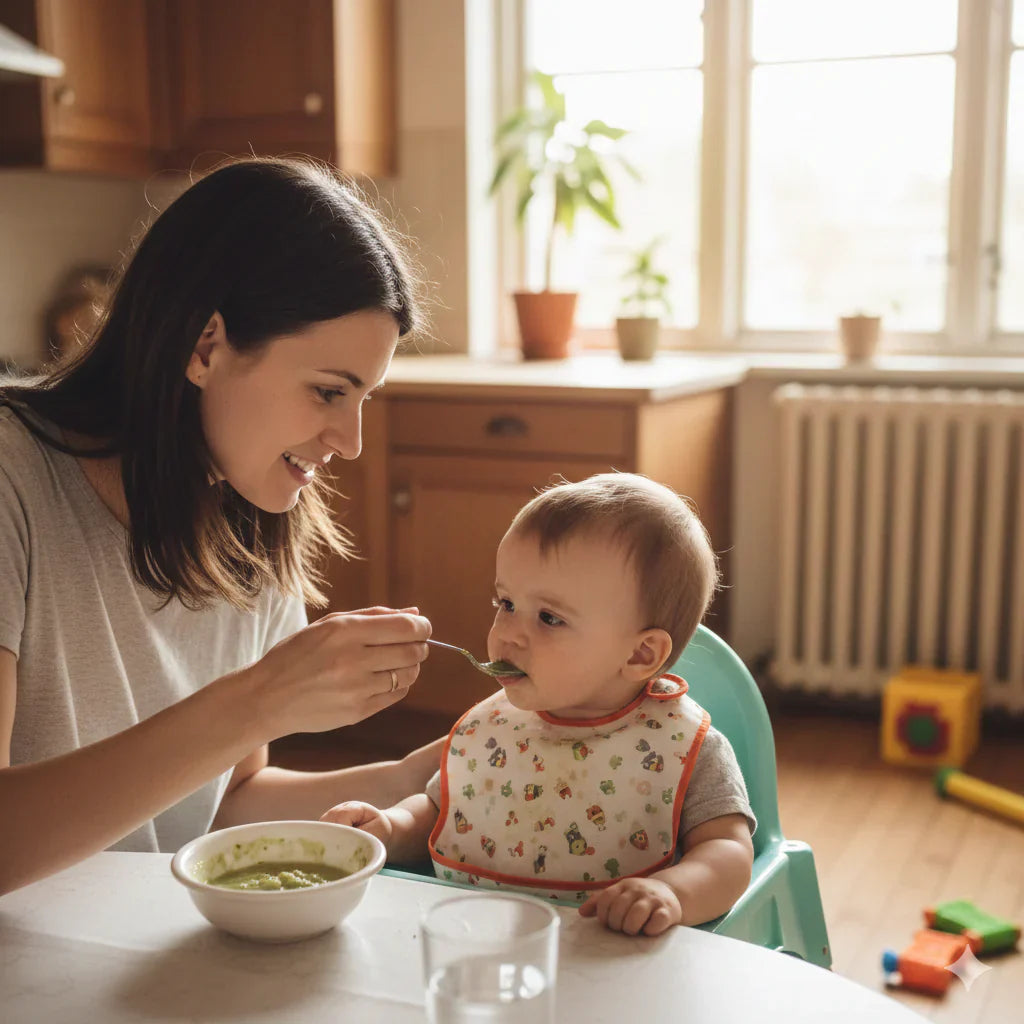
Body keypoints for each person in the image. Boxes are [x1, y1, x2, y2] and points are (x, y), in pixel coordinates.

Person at [0, 156, 445, 896]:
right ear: (205, 347)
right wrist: (258, 699)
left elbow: (220, 805)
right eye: (328, 390)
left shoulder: (253, 522)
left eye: (363, 397)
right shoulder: (13, 480)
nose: (351, 440)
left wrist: (412, 778)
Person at [321, 472, 756, 936]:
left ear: (639, 654)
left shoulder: (685, 748)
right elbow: (441, 810)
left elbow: (728, 855)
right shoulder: (494, 729)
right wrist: (387, 827)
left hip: (617, 956)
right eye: (505, 603)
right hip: (475, 940)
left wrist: (671, 893)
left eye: (549, 617)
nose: (507, 632)